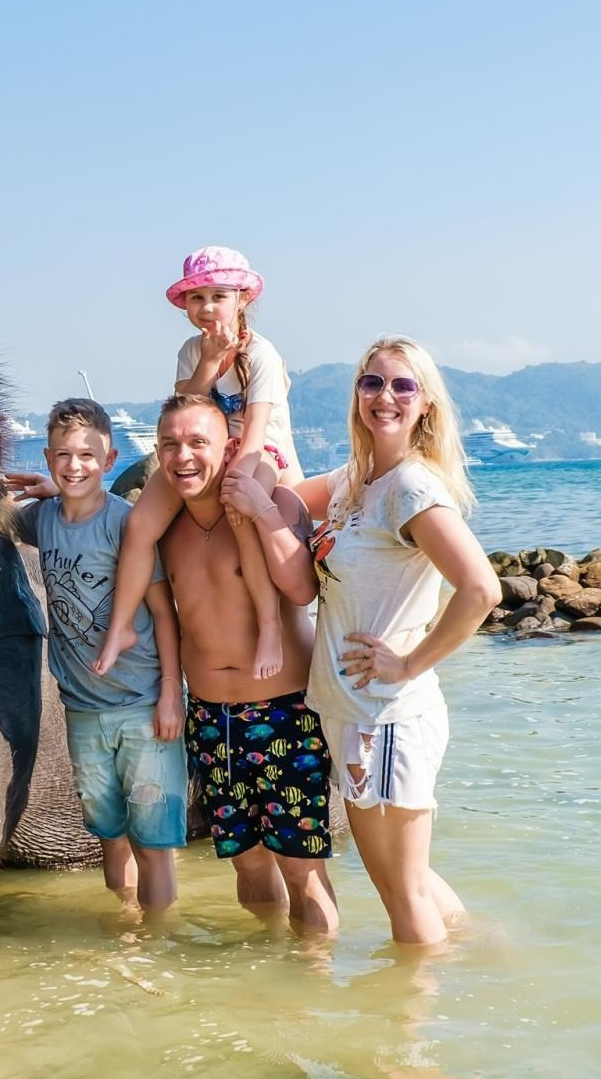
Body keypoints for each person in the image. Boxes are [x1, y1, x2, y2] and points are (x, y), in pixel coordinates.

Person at [291, 335, 502, 947]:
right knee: (399, 881)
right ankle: (480, 949)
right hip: (351, 711)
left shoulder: (412, 486)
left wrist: (410, 662)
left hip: (388, 715)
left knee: (401, 890)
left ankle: (411, 1008)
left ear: (425, 403)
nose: (385, 396)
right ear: (357, 394)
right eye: (373, 382)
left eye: (403, 385)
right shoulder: (356, 479)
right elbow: (282, 497)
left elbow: (481, 590)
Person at [153, 392, 337, 932]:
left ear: (229, 448)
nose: (183, 456)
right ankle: (265, 970)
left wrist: (258, 509)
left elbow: (302, 590)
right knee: (247, 863)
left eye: (198, 442)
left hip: (285, 710)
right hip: (211, 719)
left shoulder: (277, 503)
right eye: (170, 445)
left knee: (302, 869)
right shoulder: (166, 526)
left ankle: (316, 975)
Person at [7, 399, 187, 919]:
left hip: (142, 703)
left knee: (153, 842)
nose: (75, 466)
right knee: (108, 835)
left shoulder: (125, 524)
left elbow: (164, 612)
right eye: (63, 455)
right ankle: (126, 928)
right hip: (83, 708)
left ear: (109, 461)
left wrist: (171, 694)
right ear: (47, 458)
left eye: (88, 455)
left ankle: (159, 938)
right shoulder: (42, 520)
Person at [91, 247, 303, 687]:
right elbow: (183, 410)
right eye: (196, 298)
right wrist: (209, 360)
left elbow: (257, 430)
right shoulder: (191, 350)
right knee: (140, 524)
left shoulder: (261, 354)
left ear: (242, 299)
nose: (207, 307)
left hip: (259, 450)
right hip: (203, 447)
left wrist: (240, 483)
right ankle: (122, 625)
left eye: (218, 296)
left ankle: (269, 626)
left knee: (240, 511)